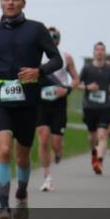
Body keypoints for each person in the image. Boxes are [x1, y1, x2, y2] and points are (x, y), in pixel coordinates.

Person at [0, 0, 62, 219]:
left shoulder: (36, 29)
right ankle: (3, 208)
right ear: (0, 2)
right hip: (0, 97)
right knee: (3, 150)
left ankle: (22, 194)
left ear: (24, 2)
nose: (11, 3)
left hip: (28, 98)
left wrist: (39, 71)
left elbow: (56, 59)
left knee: (22, 155)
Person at [35, 27, 79, 192]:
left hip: (59, 103)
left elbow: (76, 79)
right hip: (41, 102)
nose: (52, 39)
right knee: (43, 138)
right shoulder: (36, 56)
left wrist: (66, 90)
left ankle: (59, 151)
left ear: (59, 40)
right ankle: (47, 177)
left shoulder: (66, 57)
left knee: (55, 143)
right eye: (49, 36)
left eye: (55, 37)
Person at [76, 42, 110, 175]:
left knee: (102, 135)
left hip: (105, 107)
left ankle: (99, 161)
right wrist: (87, 87)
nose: (100, 52)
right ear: (94, 52)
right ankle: (94, 154)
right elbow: (77, 84)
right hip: (89, 107)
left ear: (105, 53)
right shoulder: (87, 68)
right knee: (92, 137)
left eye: (102, 49)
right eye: (97, 49)